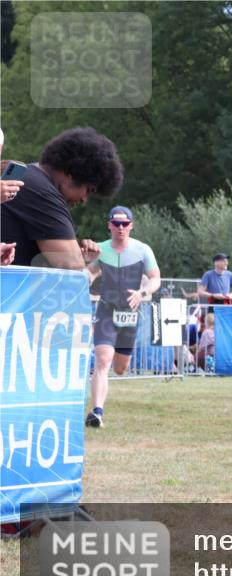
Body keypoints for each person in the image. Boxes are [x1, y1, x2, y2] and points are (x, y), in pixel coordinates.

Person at [1, 127, 123, 268]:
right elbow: (70, 264)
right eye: (88, 190)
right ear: (72, 174)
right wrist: (77, 257)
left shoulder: (30, 177)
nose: (84, 199)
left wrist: (78, 251)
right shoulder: (41, 191)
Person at [84, 206, 161, 428]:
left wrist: (143, 292)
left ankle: (117, 370)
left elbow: (155, 279)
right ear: (109, 224)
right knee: (102, 360)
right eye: (116, 224)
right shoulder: (101, 249)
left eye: (125, 224)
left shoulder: (143, 250)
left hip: (130, 313)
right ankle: (97, 412)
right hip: (106, 310)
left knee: (120, 367)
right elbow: (90, 271)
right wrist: (85, 277)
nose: (120, 228)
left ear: (131, 226)